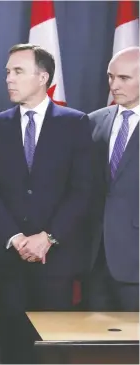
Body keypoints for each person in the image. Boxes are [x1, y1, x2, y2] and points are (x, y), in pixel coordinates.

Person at [0, 44, 93, 363]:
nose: (9, 79)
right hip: (9, 262)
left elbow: (83, 191)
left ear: (42, 77)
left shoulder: (76, 123)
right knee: (14, 348)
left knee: (53, 352)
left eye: (18, 71)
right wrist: (15, 238)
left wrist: (47, 238)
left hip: (55, 261)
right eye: (7, 72)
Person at [86, 47, 139, 311]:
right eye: (110, 77)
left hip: (136, 260)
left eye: (124, 78)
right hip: (94, 259)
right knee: (95, 350)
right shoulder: (93, 122)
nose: (114, 85)